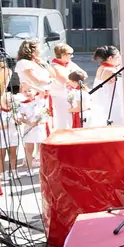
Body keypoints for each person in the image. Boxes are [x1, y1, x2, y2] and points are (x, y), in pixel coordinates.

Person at [15, 40, 54, 168]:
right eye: (38, 48)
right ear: (31, 49)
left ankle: (38, 155)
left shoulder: (37, 62)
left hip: (43, 95)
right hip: (32, 96)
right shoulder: (23, 63)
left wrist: (44, 64)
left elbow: (52, 73)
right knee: (33, 126)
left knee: (43, 125)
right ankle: (30, 157)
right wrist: (48, 80)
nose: (40, 50)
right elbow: (35, 79)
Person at [50, 44, 85, 130]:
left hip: (69, 97)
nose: (72, 56)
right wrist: (75, 76)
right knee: (62, 122)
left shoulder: (69, 64)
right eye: (70, 54)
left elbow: (84, 75)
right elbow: (68, 82)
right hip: (59, 99)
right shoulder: (54, 67)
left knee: (70, 122)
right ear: (63, 55)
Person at [90, 46, 124, 127]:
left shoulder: (102, 68)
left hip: (105, 102)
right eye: (117, 57)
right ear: (110, 58)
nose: (119, 59)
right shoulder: (110, 70)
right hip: (112, 104)